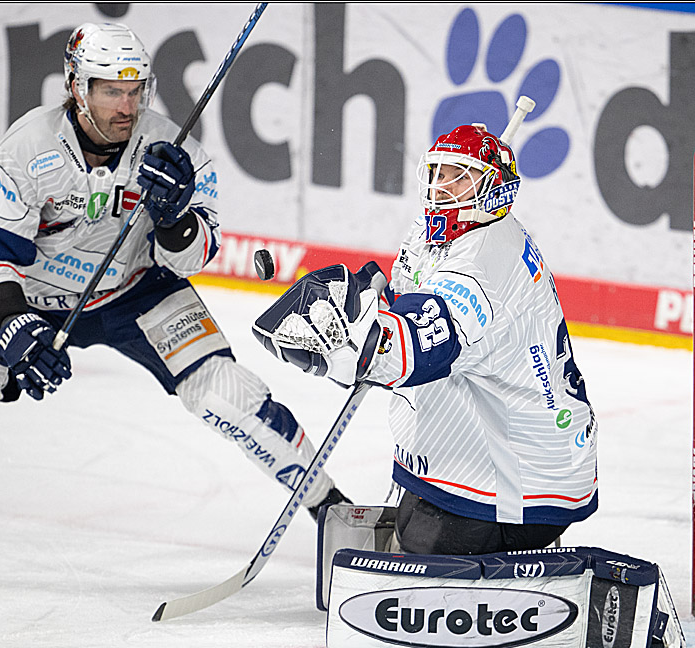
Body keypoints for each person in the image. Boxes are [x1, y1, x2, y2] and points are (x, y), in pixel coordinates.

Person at [0, 22, 348, 567]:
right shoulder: (28, 147)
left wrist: (174, 217)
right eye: (111, 90)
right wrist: (15, 328)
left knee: (229, 395)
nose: (127, 105)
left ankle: (333, 511)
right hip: (34, 296)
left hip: (136, 292)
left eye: (136, 90)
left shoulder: (178, 151)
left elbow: (193, 260)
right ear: (77, 86)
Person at [253, 123, 597, 555]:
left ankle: (519, 546)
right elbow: (407, 290)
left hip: (515, 480)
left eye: (460, 177)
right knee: (412, 527)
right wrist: (367, 297)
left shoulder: (485, 260)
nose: (441, 187)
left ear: (495, 189)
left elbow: (417, 348)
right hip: (468, 458)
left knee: (420, 549)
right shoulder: (437, 227)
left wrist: (342, 353)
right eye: (438, 173)